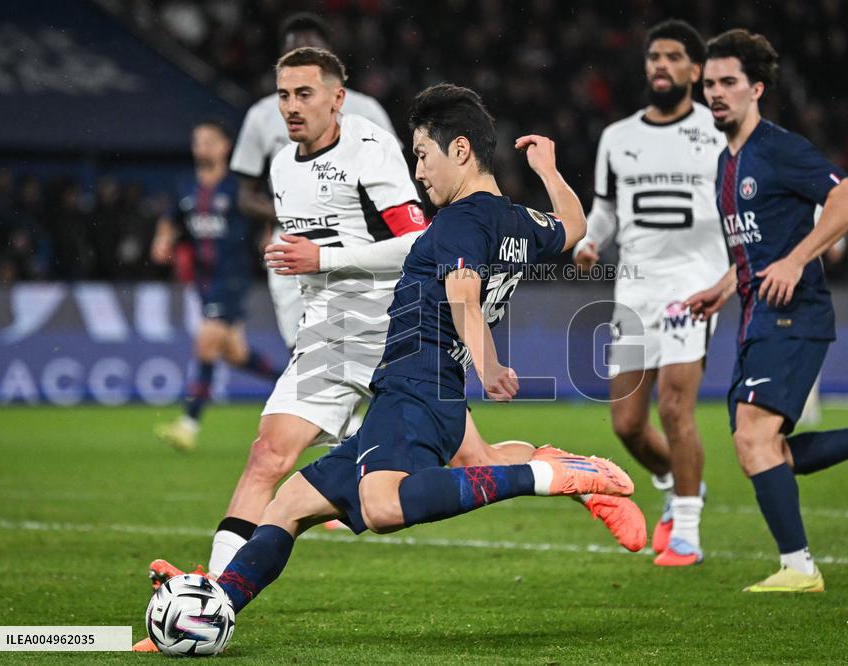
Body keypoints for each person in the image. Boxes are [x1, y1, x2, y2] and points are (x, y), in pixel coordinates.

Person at [134, 57, 645, 653]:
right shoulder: (515, 221)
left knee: (381, 506)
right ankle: (211, 609)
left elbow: (461, 294)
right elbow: (574, 225)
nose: (419, 172)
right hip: (414, 382)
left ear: (460, 151)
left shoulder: (457, 224)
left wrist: (490, 365)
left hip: (417, 379)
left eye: (424, 155)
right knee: (291, 503)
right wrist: (549, 170)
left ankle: (551, 474)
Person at [686, 29, 848, 592]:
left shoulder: (778, 148)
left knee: (753, 438)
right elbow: (757, 245)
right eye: (710, 85)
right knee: (762, 447)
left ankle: (798, 568)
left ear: (757, 89)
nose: (716, 93)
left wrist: (797, 261)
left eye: (728, 83)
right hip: (756, 313)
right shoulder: (727, 164)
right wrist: (726, 286)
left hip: (794, 312)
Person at [573, 20, 725, 566]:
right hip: (633, 294)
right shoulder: (619, 138)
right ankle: (679, 484)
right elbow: (607, 211)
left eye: (673, 57)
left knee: (675, 408)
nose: (660, 65)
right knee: (627, 425)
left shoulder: (718, 133)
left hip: (693, 289)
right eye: (653, 56)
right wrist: (591, 241)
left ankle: (687, 531)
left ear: (695, 70)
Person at [230, 12, 397, 352]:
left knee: (363, 343)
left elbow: (395, 181)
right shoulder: (262, 115)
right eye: (295, 53)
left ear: (330, 56)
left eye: (312, 52)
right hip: (289, 242)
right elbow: (245, 195)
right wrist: (289, 214)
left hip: (357, 240)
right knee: (301, 345)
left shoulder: (366, 111)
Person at [152, 121, 282, 451]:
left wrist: (270, 235)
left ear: (225, 146)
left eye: (209, 141)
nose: (202, 148)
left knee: (206, 342)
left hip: (233, 276)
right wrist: (163, 239)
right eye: (198, 142)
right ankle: (290, 384)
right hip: (203, 281)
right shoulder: (186, 187)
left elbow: (271, 211)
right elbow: (172, 218)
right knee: (235, 354)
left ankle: (188, 423)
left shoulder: (237, 188)